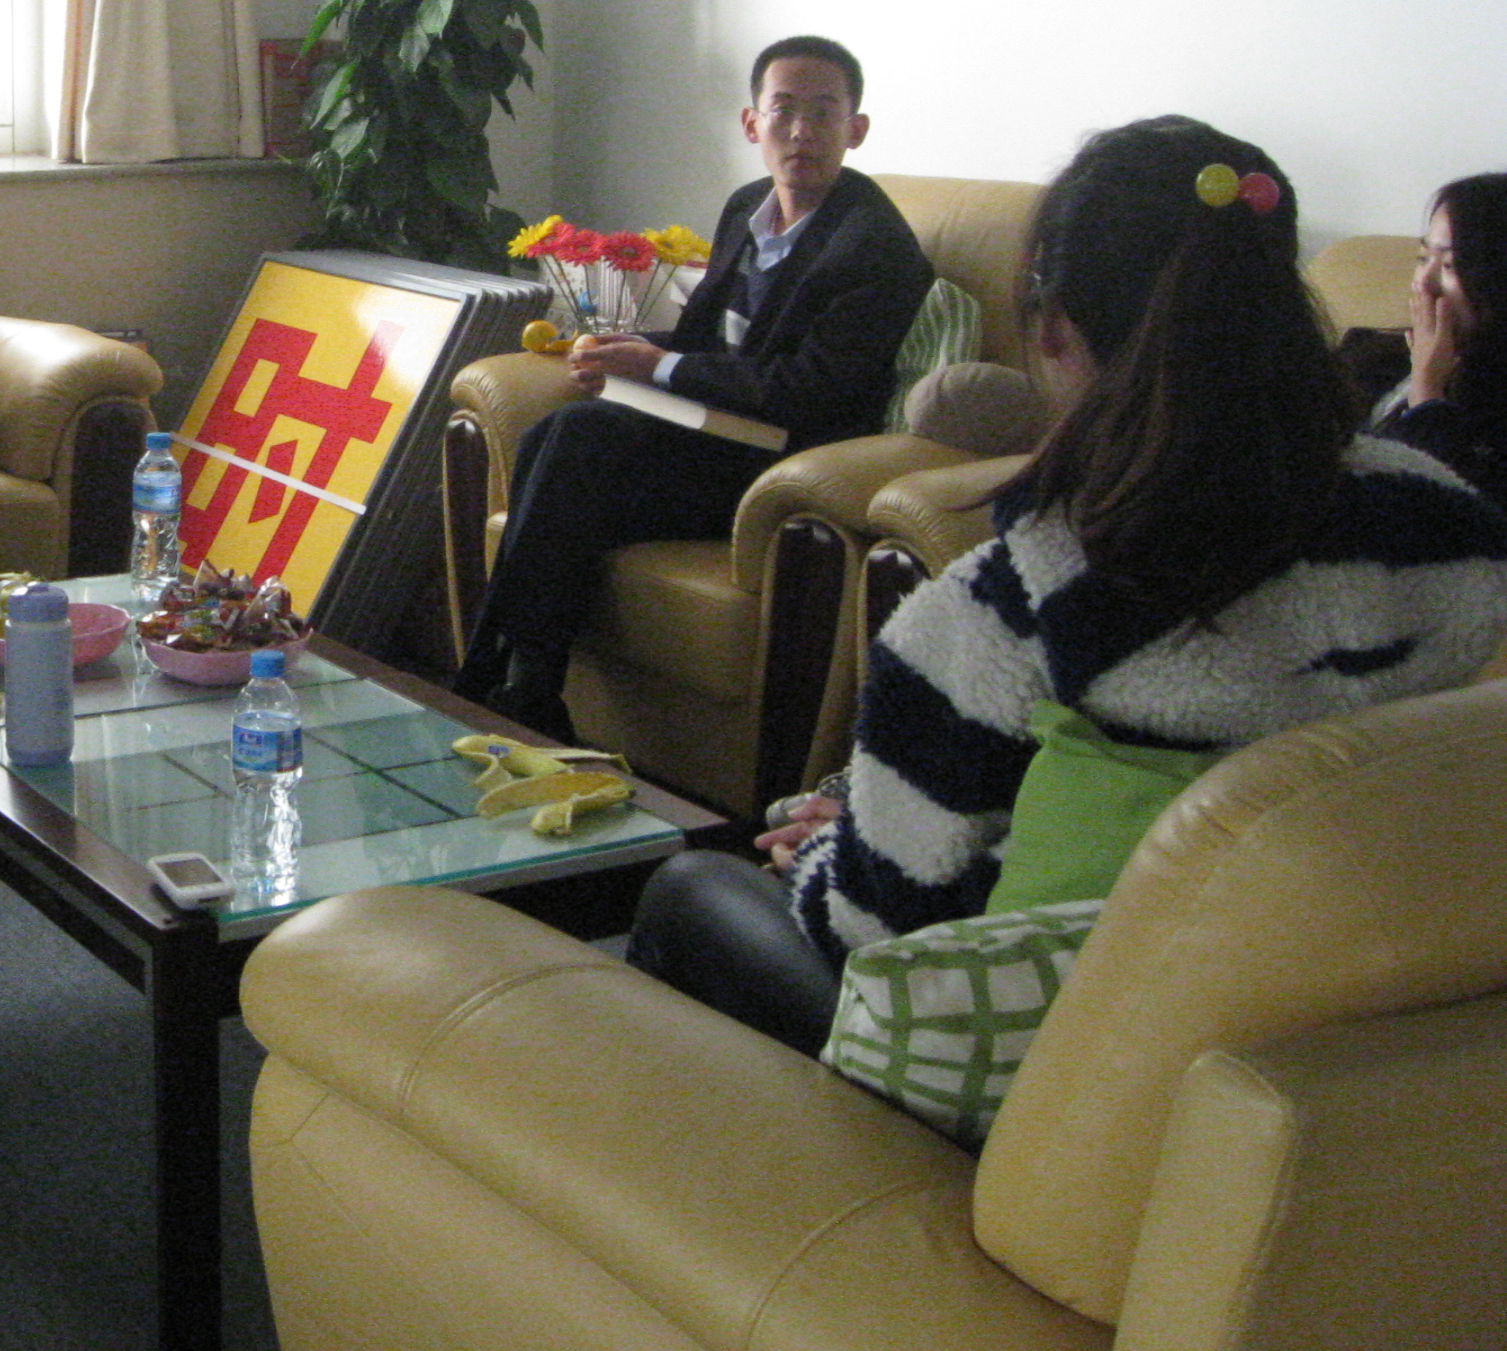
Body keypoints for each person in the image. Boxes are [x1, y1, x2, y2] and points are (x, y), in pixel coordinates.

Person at [628, 117, 1507, 1054]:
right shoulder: (1449, 529)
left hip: (1060, 1056)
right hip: (1337, 1018)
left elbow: (875, 931)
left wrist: (826, 857)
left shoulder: (1008, 605)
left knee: (691, 890)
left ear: (1049, 330)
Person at [456, 35, 933, 739]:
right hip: (712, 434)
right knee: (552, 443)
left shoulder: (874, 246)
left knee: (576, 447)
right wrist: (626, 351)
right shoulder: (747, 207)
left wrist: (657, 366)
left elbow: (810, 390)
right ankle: (518, 686)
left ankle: (501, 687)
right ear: (752, 123)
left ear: (855, 129)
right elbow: (702, 338)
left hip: (783, 465)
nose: (801, 131)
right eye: (783, 110)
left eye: (824, 113)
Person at [1364, 173, 1507, 507]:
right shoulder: (1370, 354)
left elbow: (1455, 510)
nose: (1424, 283)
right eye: (1423, 258)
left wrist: (1427, 390)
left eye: (1449, 264)